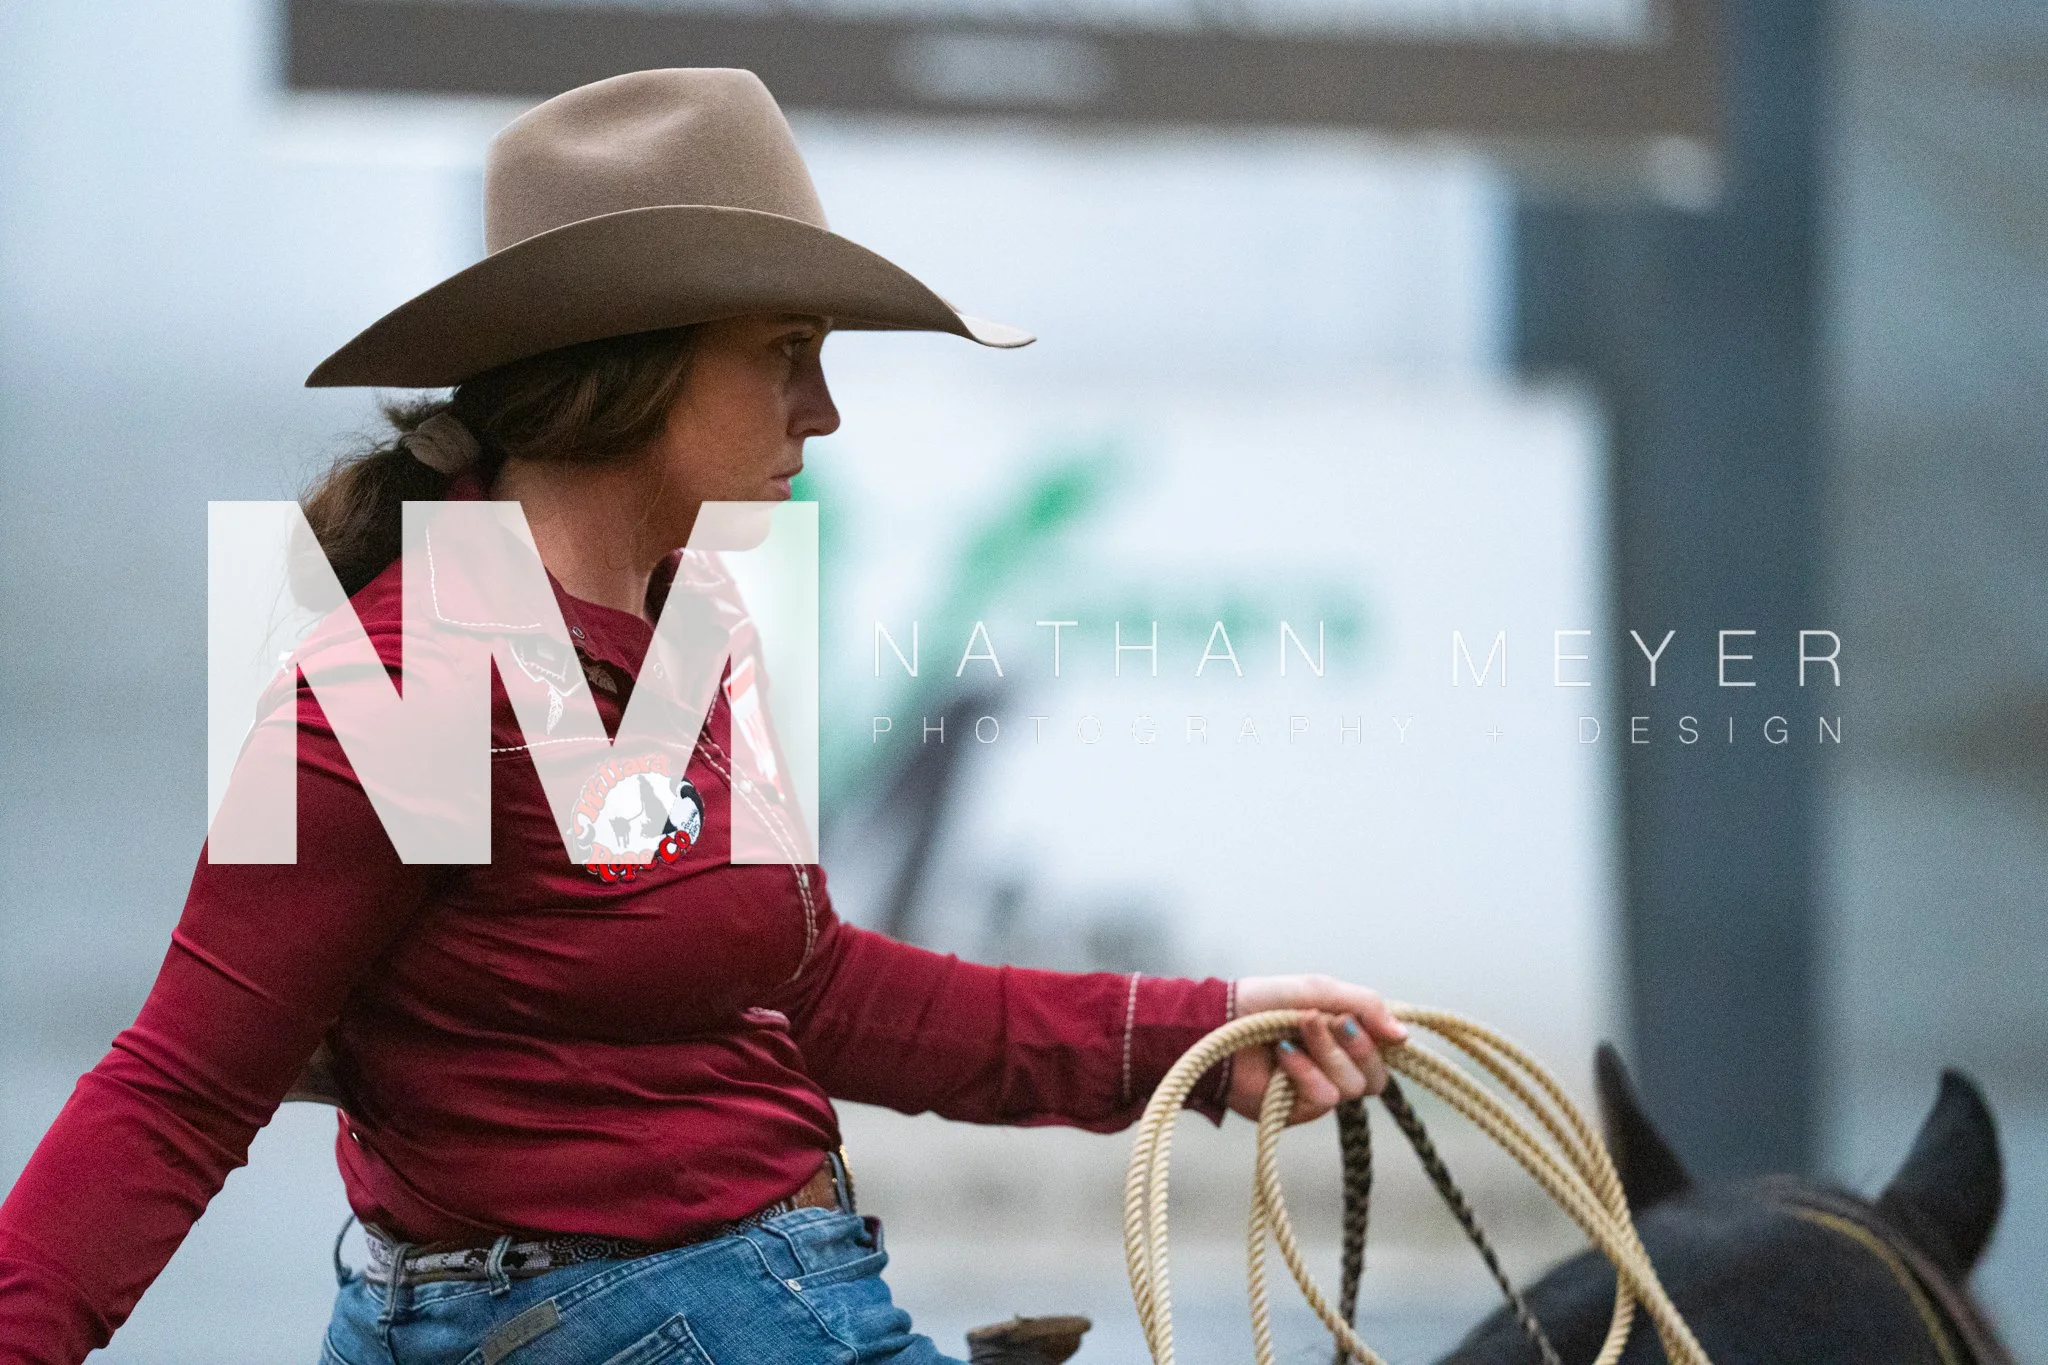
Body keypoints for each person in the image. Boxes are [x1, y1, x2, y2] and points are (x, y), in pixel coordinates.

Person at [0, 68, 1407, 1365]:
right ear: (638, 357)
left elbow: (813, 990)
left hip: (710, 1304)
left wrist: (1191, 1035)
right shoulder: (412, 669)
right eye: (787, 350)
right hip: (640, 1315)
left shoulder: (691, 615)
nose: (824, 408)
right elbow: (178, 1090)